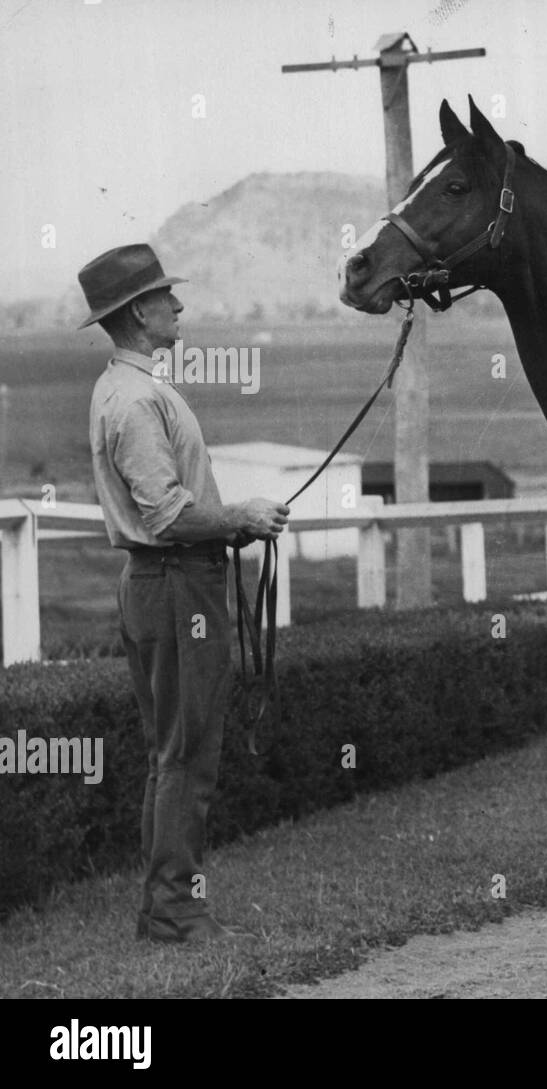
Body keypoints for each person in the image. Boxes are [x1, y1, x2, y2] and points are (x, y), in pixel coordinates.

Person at [80, 243, 289, 943]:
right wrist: (243, 518)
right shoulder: (137, 399)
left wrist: (230, 526)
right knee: (187, 751)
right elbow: (168, 515)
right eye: (167, 297)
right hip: (174, 583)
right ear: (141, 312)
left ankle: (165, 902)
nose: (179, 306)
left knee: (171, 749)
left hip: (164, 584)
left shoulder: (128, 389)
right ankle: (173, 906)